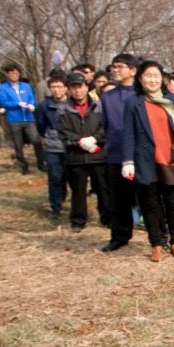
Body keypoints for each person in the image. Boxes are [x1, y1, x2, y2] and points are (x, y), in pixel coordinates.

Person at [121, 61, 174, 262]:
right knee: (151, 205)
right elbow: (128, 133)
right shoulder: (134, 102)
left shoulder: (171, 100)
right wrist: (127, 160)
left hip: (171, 159)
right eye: (148, 76)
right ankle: (156, 243)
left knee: (173, 203)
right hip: (146, 160)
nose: (153, 80)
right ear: (140, 78)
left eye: (156, 76)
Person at [57, 72, 109, 231]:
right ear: (68, 90)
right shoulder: (63, 109)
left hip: (97, 154)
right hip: (76, 156)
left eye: (80, 87)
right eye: (73, 88)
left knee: (102, 188)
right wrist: (80, 142)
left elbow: (105, 127)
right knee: (78, 191)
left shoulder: (98, 106)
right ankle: (78, 221)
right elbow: (62, 131)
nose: (77, 91)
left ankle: (107, 218)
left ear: (87, 87)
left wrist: (95, 138)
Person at [100, 54, 139, 252]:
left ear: (132, 70)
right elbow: (104, 126)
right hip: (116, 153)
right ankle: (120, 235)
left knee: (149, 198)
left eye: (120, 66)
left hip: (141, 154)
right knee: (118, 199)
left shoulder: (142, 95)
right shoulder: (107, 97)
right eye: (113, 66)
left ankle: (158, 236)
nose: (115, 70)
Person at [0, 63, 43, 174]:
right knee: (18, 144)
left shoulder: (26, 86)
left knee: (36, 141)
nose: (14, 75)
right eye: (11, 73)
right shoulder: (3, 88)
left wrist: (31, 105)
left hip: (28, 118)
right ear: (8, 75)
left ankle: (41, 163)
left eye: (16, 73)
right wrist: (17, 104)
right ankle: (23, 166)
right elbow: (3, 102)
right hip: (14, 120)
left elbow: (31, 97)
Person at [36, 72, 70, 219]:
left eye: (59, 86)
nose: (56, 90)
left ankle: (68, 199)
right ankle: (55, 206)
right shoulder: (45, 105)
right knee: (54, 176)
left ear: (66, 88)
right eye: (53, 87)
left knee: (69, 176)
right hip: (52, 144)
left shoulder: (71, 103)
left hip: (70, 143)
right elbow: (40, 124)